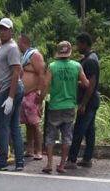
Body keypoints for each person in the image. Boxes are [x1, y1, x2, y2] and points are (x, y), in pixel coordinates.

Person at [39, 41, 89, 174]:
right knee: (67, 136)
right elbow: (86, 83)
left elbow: (45, 85)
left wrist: (39, 102)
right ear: (69, 52)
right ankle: (61, 165)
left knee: (50, 135)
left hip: (55, 106)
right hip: (69, 106)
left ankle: (49, 164)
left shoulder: (52, 66)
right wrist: (75, 81)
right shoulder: (77, 66)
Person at [0, 18, 24, 171]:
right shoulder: (2, 47)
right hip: (10, 87)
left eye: (5, 29)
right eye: (1, 29)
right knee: (14, 126)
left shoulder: (11, 48)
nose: (2, 31)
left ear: (11, 31)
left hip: (8, 90)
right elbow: (7, 70)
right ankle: (19, 162)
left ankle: (2, 161)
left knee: (4, 126)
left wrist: (11, 97)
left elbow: (16, 72)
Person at [66, 33, 100, 169]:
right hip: (92, 101)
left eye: (79, 44)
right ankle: (87, 159)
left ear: (85, 44)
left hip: (89, 101)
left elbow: (91, 84)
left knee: (78, 130)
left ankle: (71, 159)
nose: (77, 46)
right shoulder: (91, 58)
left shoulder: (90, 61)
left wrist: (83, 104)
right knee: (90, 131)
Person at [17, 34, 45, 160]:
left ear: (23, 42)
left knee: (35, 124)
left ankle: (39, 150)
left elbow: (41, 74)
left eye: (18, 42)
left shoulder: (35, 55)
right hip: (24, 94)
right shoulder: (24, 57)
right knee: (27, 124)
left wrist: (39, 92)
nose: (17, 44)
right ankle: (30, 149)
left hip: (33, 94)